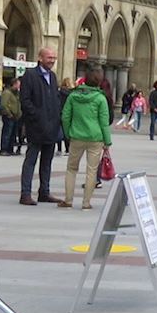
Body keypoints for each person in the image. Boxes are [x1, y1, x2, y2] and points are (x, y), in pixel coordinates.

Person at [58, 71, 111, 210]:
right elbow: (104, 122)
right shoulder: (100, 98)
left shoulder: (73, 96)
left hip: (76, 136)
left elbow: (65, 117)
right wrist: (107, 141)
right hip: (95, 137)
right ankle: (86, 203)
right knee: (92, 170)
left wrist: (68, 133)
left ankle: (68, 200)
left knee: (71, 169)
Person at [19, 46, 62, 205]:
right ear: (40, 58)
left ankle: (44, 192)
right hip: (36, 127)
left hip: (51, 126)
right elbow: (25, 100)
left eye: (53, 58)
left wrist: (57, 117)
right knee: (31, 160)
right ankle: (25, 193)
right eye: (49, 57)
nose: (52, 61)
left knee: (47, 162)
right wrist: (36, 116)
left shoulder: (53, 76)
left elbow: (55, 98)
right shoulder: (30, 75)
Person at [0, 77, 22, 155]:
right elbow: (3, 105)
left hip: (15, 117)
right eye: (18, 84)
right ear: (14, 84)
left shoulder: (16, 93)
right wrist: (9, 114)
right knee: (7, 133)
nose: (19, 86)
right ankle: (4, 149)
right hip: (9, 116)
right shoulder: (7, 93)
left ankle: (10, 149)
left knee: (12, 134)